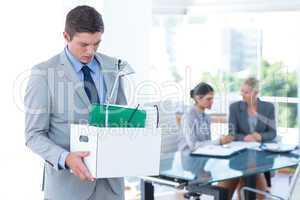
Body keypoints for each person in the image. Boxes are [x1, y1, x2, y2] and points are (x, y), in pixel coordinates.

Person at [24, 5, 128, 200]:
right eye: (83, 44)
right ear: (66, 36)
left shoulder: (114, 68)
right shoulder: (43, 74)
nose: (91, 51)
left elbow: (121, 119)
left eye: (97, 43)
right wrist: (66, 158)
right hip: (68, 189)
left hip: (111, 188)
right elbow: (33, 135)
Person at [219, 77, 277, 200]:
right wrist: (245, 137)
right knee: (228, 187)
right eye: (242, 91)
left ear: (255, 93)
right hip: (239, 154)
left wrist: (259, 136)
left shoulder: (268, 107)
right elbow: (232, 133)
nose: (242, 94)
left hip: (260, 154)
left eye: (246, 92)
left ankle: (246, 192)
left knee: (255, 186)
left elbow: (272, 133)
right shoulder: (234, 107)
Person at [177, 82, 232, 151]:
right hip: (189, 155)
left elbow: (206, 142)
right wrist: (219, 141)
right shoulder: (188, 116)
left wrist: (221, 140)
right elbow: (193, 146)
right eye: (208, 99)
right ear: (198, 98)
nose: (212, 102)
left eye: (212, 99)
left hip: (203, 154)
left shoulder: (206, 117)